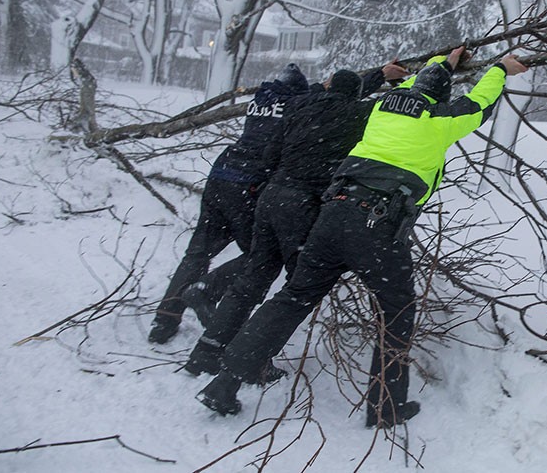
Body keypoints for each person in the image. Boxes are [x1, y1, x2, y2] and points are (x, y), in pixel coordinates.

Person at [196, 46, 528, 427]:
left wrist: (444, 63)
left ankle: (225, 383)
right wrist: (500, 69)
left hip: (332, 215)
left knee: (294, 297)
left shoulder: (382, 110)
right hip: (375, 225)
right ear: (439, 101)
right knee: (396, 310)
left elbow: (427, 86)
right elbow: (479, 104)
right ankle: (385, 407)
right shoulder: (440, 120)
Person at [182, 62, 410, 379]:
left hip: (270, 199)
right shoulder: (359, 115)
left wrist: (378, 76)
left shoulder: (299, 105)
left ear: (328, 87)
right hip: (302, 207)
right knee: (294, 293)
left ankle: (206, 352)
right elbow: (393, 108)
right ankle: (250, 361)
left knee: (253, 278)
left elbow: (270, 156)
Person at [147, 64, 310, 344]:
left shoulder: (261, 99)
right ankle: (205, 289)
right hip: (248, 183)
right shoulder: (295, 106)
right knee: (262, 254)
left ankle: (164, 321)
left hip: (222, 175)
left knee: (198, 252)